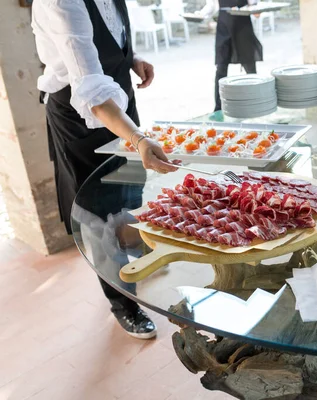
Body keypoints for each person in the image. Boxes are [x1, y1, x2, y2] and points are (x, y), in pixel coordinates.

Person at [31, 0, 177, 339]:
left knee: (129, 189)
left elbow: (103, 34)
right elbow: (90, 89)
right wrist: (139, 138)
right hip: (80, 112)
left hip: (117, 104)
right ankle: (122, 302)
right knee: (96, 214)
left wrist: (130, 58)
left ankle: (132, 260)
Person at [214, 0, 263, 111]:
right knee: (221, 68)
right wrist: (201, 14)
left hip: (242, 25)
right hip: (223, 25)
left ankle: (258, 104)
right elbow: (211, 5)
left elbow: (255, 7)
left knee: (250, 68)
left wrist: (255, 8)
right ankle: (218, 108)